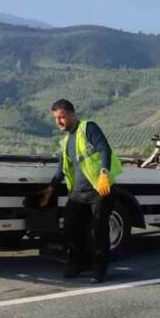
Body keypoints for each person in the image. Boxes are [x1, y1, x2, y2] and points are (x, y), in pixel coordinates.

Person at [38, 99, 123, 282]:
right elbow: (62, 170)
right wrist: (50, 189)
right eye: (56, 118)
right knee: (71, 229)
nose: (59, 121)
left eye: (62, 117)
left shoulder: (88, 128)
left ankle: (99, 271)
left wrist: (104, 174)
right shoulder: (66, 141)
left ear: (72, 114)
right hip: (78, 194)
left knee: (99, 231)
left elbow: (104, 149)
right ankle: (77, 265)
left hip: (98, 190)